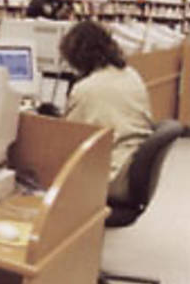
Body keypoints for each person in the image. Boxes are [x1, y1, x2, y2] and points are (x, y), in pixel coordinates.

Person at [59, 20, 153, 201]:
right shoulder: (131, 74)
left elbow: (69, 140)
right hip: (130, 166)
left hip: (113, 176)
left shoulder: (87, 88)